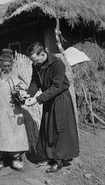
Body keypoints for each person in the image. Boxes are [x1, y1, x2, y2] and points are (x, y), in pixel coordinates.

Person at [25, 42, 79, 172]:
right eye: (33, 61)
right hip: (49, 98)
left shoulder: (57, 64)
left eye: (36, 60)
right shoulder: (36, 65)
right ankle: (50, 156)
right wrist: (28, 94)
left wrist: (37, 99)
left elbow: (56, 87)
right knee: (48, 128)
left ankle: (60, 160)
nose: (35, 63)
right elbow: (35, 82)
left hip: (60, 99)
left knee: (59, 129)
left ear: (43, 54)